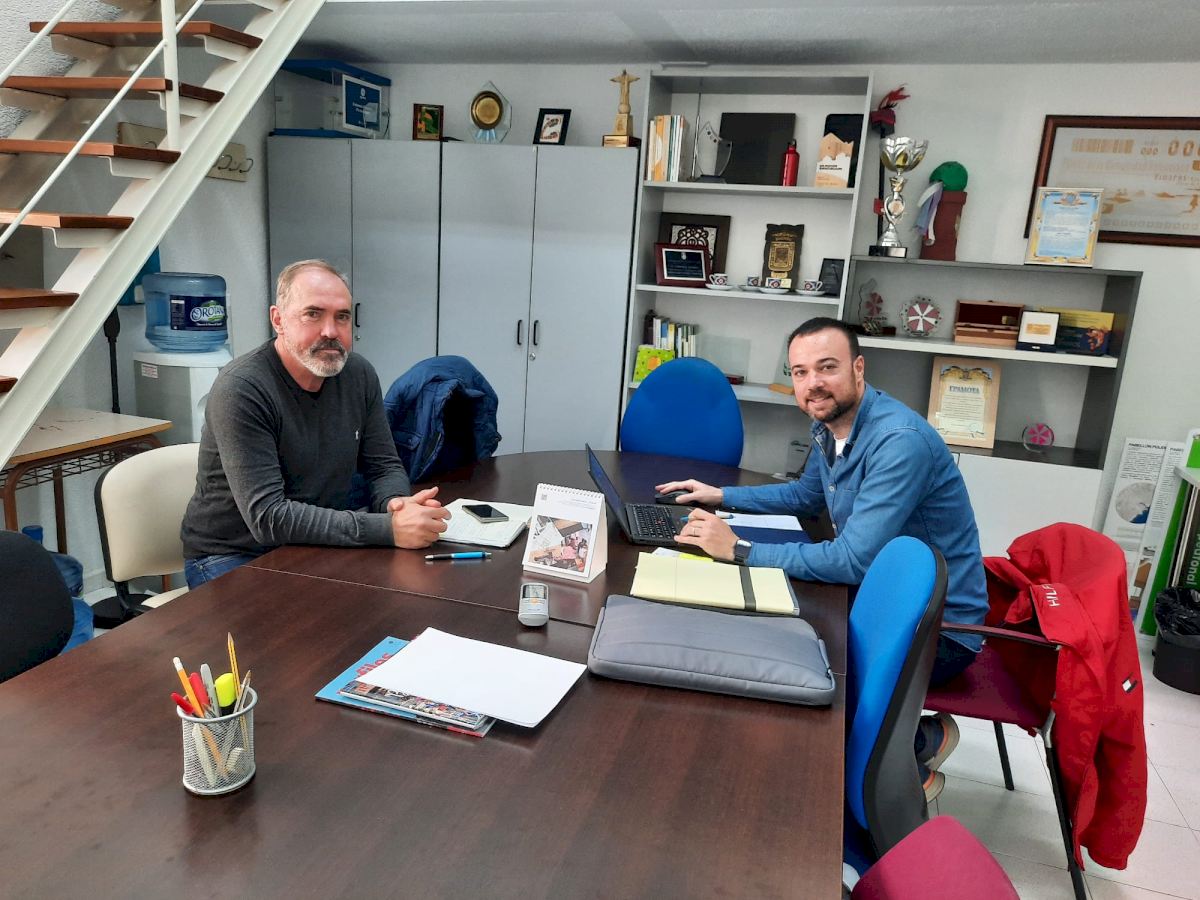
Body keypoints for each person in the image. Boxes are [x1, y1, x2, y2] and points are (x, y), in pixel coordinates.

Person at [656, 316, 987, 800]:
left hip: (938, 631)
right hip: (878, 597)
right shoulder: (829, 425)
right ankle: (914, 739)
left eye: (827, 367)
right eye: (800, 372)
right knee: (768, 632)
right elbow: (806, 496)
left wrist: (740, 550)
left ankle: (901, 769)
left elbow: (851, 561)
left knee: (799, 663)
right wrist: (721, 495)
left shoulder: (899, 442)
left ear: (858, 368)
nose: (813, 383)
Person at [181, 259, 450, 587]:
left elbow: (383, 466)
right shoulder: (242, 389)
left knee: (394, 602)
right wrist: (387, 529)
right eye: (313, 314)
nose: (330, 332)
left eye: (342, 317)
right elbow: (269, 517)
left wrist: (396, 505)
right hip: (234, 554)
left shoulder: (358, 374)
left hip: (313, 541)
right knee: (320, 618)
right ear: (278, 320)